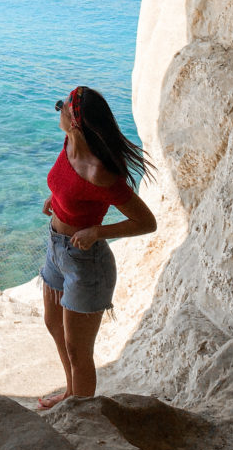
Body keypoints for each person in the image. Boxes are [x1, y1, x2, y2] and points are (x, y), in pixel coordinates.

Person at [38, 86, 156, 410]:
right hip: (57, 249)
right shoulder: (69, 144)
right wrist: (57, 200)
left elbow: (147, 222)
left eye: (63, 106)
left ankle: (80, 417)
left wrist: (98, 231)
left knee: (79, 352)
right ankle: (70, 396)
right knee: (52, 323)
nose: (58, 107)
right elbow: (69, 186)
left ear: (75, 121)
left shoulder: (99, 172)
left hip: (86, 264)